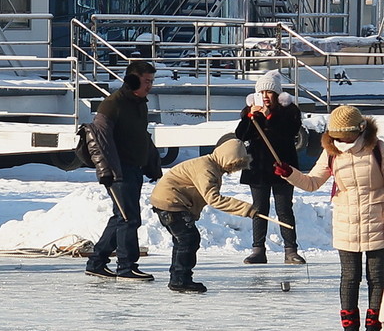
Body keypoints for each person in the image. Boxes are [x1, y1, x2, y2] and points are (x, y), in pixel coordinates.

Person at [276, 106, 384, 331]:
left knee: (377, 277)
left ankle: (373, 328)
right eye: (336, 135)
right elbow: (312, 182)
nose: (341, 140)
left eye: (345, 135)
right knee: (350, 276)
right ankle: (349, 329)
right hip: (346, 220)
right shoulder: (331, 152)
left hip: (378, 220)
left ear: (360, 130)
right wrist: (289, 173)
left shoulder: (378, 149)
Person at [83, 59, 161, 281]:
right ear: (132, 80)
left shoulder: (140, 104)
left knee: (121, 217)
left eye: (151, 81)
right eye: (146, 81)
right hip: (118, 171)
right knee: (129, 219)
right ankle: (126, 267)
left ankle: (97, 262)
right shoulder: (112, 104)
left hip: (134, 169)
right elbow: (98, 140)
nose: (150, 86)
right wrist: (106, 172)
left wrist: (152, 163)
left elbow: (142, 137)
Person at [149, 138, 257, 293]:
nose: (231, 170)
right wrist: (247, 209)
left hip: (170, 201)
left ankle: (178, 277)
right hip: (170, 202)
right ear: (225, 158)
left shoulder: (211, 165)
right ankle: (180, 280)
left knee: (183, 240)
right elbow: (214, 199)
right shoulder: (207, 169)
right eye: (232, 165)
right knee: (188, 239)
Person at [234, 70, 305, 265]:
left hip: (282, 167)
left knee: (284, 209)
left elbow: (285, 134)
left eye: (269, 92)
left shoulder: (290, 112)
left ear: (277, 94)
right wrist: (251, 118)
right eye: (262, 92)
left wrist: (268, 119)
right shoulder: (250, 113)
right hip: (258, 168)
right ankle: (258, 249)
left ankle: (291, 250)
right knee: (259, 209)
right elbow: (241, 135)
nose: (265, 96)